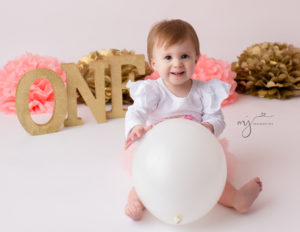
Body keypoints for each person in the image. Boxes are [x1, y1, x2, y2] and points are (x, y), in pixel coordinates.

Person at [124, 19, 262, 221]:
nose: (177, 63)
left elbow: (217, 118)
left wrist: (209, 126)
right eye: (168, 57)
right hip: (160, 154)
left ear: (196, 59)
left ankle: (236, 199)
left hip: (196, 152)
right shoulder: (153, 91)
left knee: (214, 180)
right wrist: (136, 127)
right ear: (154, 63)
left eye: (185, 56)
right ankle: (134, 202)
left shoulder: (204, 91)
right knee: (147, 181)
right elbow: (136, 111)